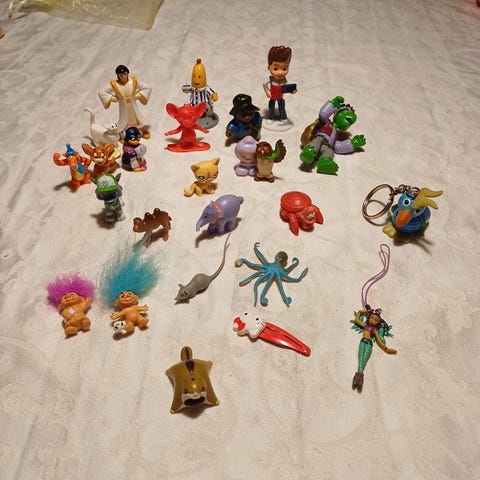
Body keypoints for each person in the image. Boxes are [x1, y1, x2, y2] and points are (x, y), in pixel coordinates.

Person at [98, 65, 151, 139]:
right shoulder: (115, 84)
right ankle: (125, 133)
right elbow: (102, 92)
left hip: (132, 104)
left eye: (125, 74)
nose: (123, 77)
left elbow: (147, 87)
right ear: (118, 75)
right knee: (124, 118)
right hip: (123, 105)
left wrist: (138, 95)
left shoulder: (133, 82)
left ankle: (140, 129)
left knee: (136, 116)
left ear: (127, 73)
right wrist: (112, 98)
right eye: (121, 75)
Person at [263, 46, 296, 124]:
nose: (280, 72)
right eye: (275, 69)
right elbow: (264, 84)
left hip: (280, 97)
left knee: (282, 107)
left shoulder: (284, 80)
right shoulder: (271, 79)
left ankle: (283, 117)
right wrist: (267, 91)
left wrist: (292, 90)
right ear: (269, 67)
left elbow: (287, 87)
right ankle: (271, 117)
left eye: (284, 69)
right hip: (272, 96)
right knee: (271, 107)